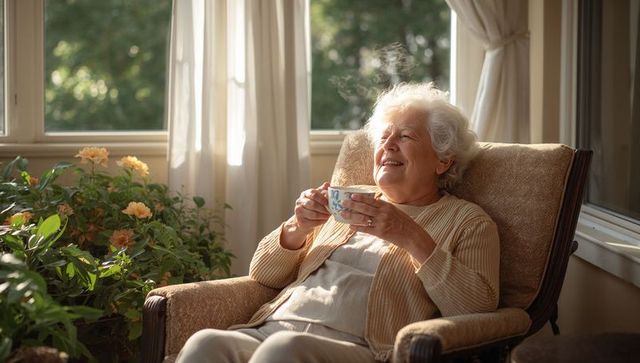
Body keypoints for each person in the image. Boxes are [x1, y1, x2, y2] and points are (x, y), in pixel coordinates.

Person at [176, 83, 500, 363]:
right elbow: (263, 274)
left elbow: (477, 308)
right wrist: (298, 226)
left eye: (405, 136)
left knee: (285, 350)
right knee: (206, 343)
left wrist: (411, 236)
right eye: (384, 137)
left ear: (444, 160)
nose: (388, 145)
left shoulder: (466, 220)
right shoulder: (346, 202)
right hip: (275, 330)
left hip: (362, 349)